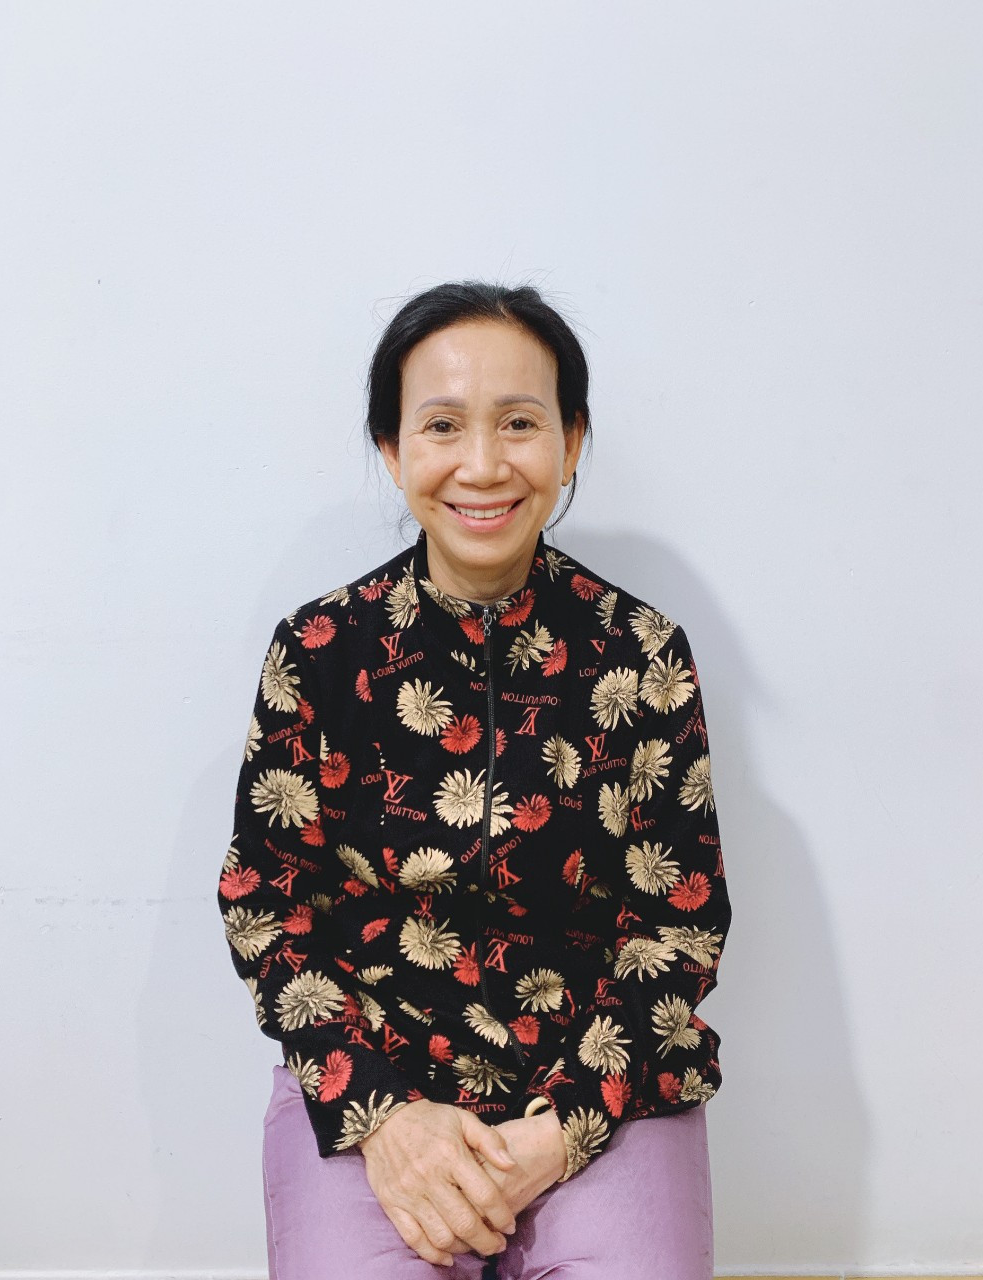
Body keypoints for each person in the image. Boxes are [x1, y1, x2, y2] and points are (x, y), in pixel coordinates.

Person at [217, 280, 731, 1279]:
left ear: (571, 440)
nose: (484, 465)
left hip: (606, 1079)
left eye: (521, 423)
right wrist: (384, 1115)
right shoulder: (319, 649)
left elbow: (678, 924)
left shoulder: (642, 652)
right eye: (443, 424)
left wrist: (564, 1128)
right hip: (376, 1076)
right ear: (392, 447)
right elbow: (265, 902)